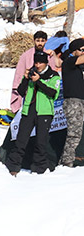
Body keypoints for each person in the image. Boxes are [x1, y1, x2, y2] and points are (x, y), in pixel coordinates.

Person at [6, 50, 60, 176]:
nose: (37, 65)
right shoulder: (31, 73)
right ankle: (14, 165)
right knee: (21, 139)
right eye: (36, 62)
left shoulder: (53, 75)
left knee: (41, 142)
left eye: (40, 62)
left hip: (44, 112)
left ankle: (39, 168)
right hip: (29, 109)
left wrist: (39, 81)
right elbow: (20, 91)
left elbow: (53, 93)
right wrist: (26, 79)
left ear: (46, 63)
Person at [11, 31, 58, 113]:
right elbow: (19, 73)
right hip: (29, 90)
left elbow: (53, 72)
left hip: (44, 92)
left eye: (42, 41)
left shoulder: (48, 55)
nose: (40, 43)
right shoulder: (26, 56)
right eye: (38, 40)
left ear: (46, 41)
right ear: (34, 41)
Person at [58, 39, 84, 167]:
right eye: (82, 50)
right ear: (74, 50)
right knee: (74, 132)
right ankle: (67, 160)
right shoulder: (69, 62)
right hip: (73, 102)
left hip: (80, 100)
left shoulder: (79, 67)